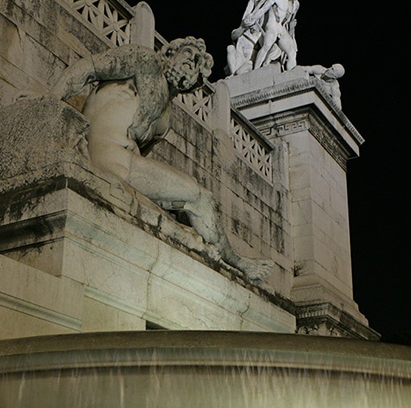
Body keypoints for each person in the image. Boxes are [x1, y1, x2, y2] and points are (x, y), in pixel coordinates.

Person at [50, 39, 274, 283]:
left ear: (192, 85)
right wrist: (50, 101)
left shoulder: (165, 118)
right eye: (188, 55)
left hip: (125, 164)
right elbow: (88, 67)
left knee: (191, 203)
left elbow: (142, 161)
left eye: (197, 69)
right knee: (198, 197)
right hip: (105, 151)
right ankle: (238, 262)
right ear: (171, 52)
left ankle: (222, 257)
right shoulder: (144, 60)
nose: (191, 64)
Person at [247, 0, 307, 72]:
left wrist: (292, 36)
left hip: (281, 28)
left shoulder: (294, 4)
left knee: (292, 52)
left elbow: (290, 23)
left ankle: (291, 74)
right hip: (272, 25)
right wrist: (253, 17)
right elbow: (263, 9)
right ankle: (255, 71)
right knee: (266, 46)